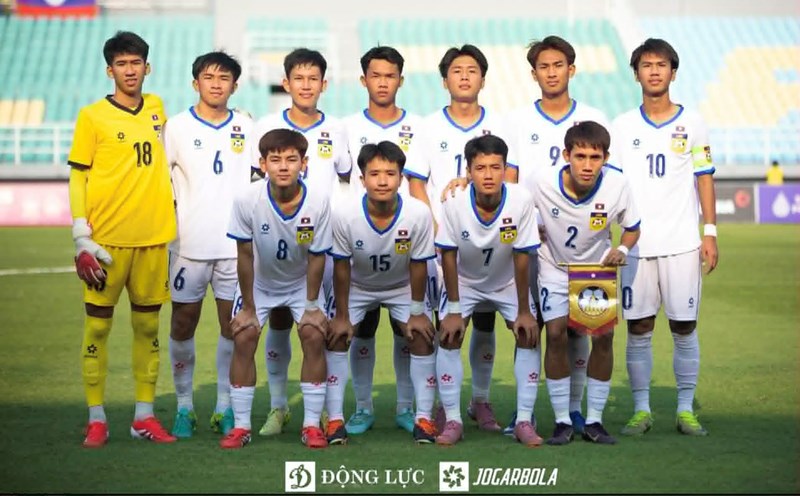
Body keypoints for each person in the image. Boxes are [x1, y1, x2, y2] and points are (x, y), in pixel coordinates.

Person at [69, 31, 177, 447]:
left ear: (147, 68)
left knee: (148, 326)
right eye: (122, 64)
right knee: (97, 329)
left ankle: (143, 417)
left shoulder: (157, 108)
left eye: (136, 63)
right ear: (109, 70)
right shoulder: (92, 116)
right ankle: (97, 418)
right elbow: (79, 174)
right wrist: (81, 233)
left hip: (153, 240)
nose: (129, 71)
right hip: (106, 243)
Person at [504, 35, 611, 435]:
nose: (552, 73)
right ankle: (525, 412)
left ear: (572, 69)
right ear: (534, 74)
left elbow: (610, 184)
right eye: (544, 67)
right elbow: (512, 185)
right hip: (535, 245)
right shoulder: (517, 121)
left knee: (585, 329)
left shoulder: (594, 116)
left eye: (559, 65)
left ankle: (575, 411)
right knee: (533, 327)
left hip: (586, 245)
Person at [612, 38, 718, 437]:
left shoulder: (693, 122)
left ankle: (686, 409)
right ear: (636, 73)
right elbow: (614, 185)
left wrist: (709, 231)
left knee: (684, 327)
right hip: (636, 247)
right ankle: (641, 410)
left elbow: (703, 177)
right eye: (646, 65)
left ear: (673, 72)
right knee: (637, 327)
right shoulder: (621, 126)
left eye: (661, 65)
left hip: (682, 244)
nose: (654, 71)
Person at [404, 44, 509, 432]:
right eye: (456, 70)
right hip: (440, 245)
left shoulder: (499, 123)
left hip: (487, 244)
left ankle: (479, 400)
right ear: (445, 78)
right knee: (441, 324)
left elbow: (508, 179)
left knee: (484, 322)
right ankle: (437, 405)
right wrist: (433, 226)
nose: (464, 76)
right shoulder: (428, 126)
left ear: (483, 78)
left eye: (472, 70)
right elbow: (416, 181)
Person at [250, 48, 351, 437]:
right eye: (299, 78)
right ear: (286, 82)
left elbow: (344, 180)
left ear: (324, 84)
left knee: (319, 328)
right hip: (277, 246)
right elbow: (255, 184)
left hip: (321, 246)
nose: (306, 85)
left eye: (314, 79)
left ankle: (326, 411)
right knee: (277, 321)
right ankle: (279, 408)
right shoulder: (267, 124)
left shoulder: (337, 129)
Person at [531, 121, 640, 446]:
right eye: (580, 156)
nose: (588, 165)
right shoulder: (540, 181)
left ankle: (594, 420)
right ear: (566, 155)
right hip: (554, 266)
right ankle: (563, 420)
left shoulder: (617, 184)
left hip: (596, 268)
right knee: (555, 334)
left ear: (606, 158)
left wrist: (622, 248)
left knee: (604, 338)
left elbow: (632, 227)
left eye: (595, 157)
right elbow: (517, 206)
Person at [220, 129, 332, 449]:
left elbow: (317, 257)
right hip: (261, 283)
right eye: (275, 159)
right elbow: (244, 255)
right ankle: (241, 426)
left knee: (312, 333)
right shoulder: (246, 199)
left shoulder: (319, 201)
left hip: (301, 283)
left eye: (291, 159)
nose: (283, 166)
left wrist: (311, 305)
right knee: (244, 335)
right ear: (262, 163)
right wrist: (249, 308)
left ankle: (311, 424)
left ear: (304, 164)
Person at [162, 51, 253, 438]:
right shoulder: (176, 128)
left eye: (224, 77)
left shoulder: (248, 127)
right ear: (195, 82)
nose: (216, 83)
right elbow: (159, 184)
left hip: (235, 248)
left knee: (232, 326)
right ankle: (184, 406)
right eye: (208, 76)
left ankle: (223, 406)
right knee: (183, 323)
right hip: (188, 245)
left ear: (235, 85)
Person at [326, 141, 438, 445]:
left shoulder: (418, 214)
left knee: (421, 336)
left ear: (401, 178)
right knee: (337, 335)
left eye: (390, 173)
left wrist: (416, 312)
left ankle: (420, 416)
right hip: (359, 286)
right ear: (362, 180)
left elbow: (418, 265)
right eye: (374, 174)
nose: (383, 180)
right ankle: (341, 416)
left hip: (402, 285)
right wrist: (342, 315)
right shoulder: (345, 214)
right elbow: (341, 266)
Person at [342, 46, 428, 435]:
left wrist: (431, 236)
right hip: (359, 239)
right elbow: (343, 185)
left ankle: (407, 408)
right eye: (375, 75)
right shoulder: (347, 127)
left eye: (389, 75)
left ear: (400, 80)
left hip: (404, 239)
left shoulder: (418, 127)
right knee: (361, 328)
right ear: (364, 80)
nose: (382, 82)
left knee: (406, 328)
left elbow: (418, 186)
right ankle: (362, 408)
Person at [434, 134, 541, 446]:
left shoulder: (521, 200)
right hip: (464, 280)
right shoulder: (453, 202)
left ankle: (523, 419)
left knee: (527, 334)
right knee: (450, 335)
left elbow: (523, 256)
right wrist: (454, 310)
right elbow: (448, 255)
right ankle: (452, 418)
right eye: (481, 168)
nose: (489, 174)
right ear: (469, 171)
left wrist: (523, 310)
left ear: (506, 168)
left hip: (506, 280)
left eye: (496, 167)